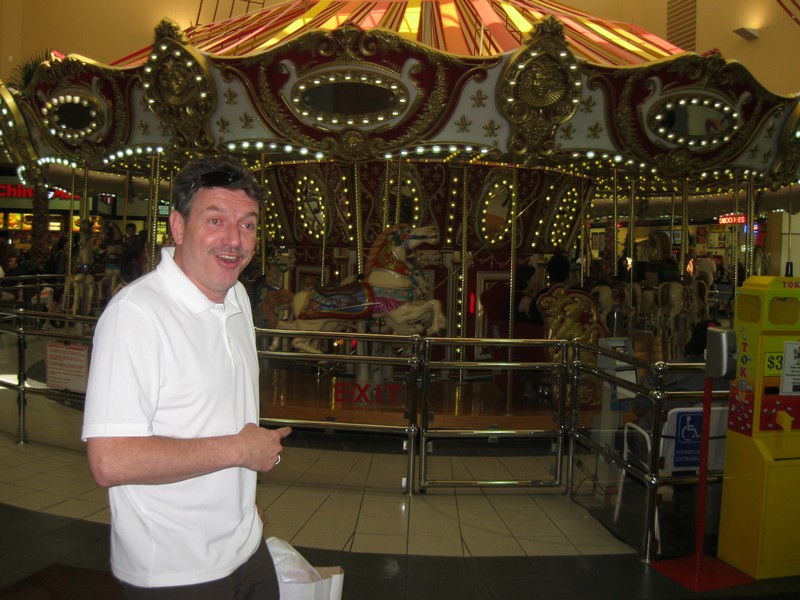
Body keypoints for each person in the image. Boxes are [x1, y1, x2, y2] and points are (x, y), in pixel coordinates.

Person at [82, 155, 292, 599]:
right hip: (175, 570)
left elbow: (214, 416)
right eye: (215, 220)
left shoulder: (236, 297)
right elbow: (111, 460)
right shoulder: (136, 315)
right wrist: (242, 449)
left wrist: (243, 504)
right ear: (178, 227)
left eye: (248, 225)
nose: (234, 240)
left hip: (245, 546)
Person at [529, 253, 572, 325]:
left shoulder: (540, 297)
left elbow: (534, 322)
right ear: (568, 275)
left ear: (548, 273)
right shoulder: (576, 296)